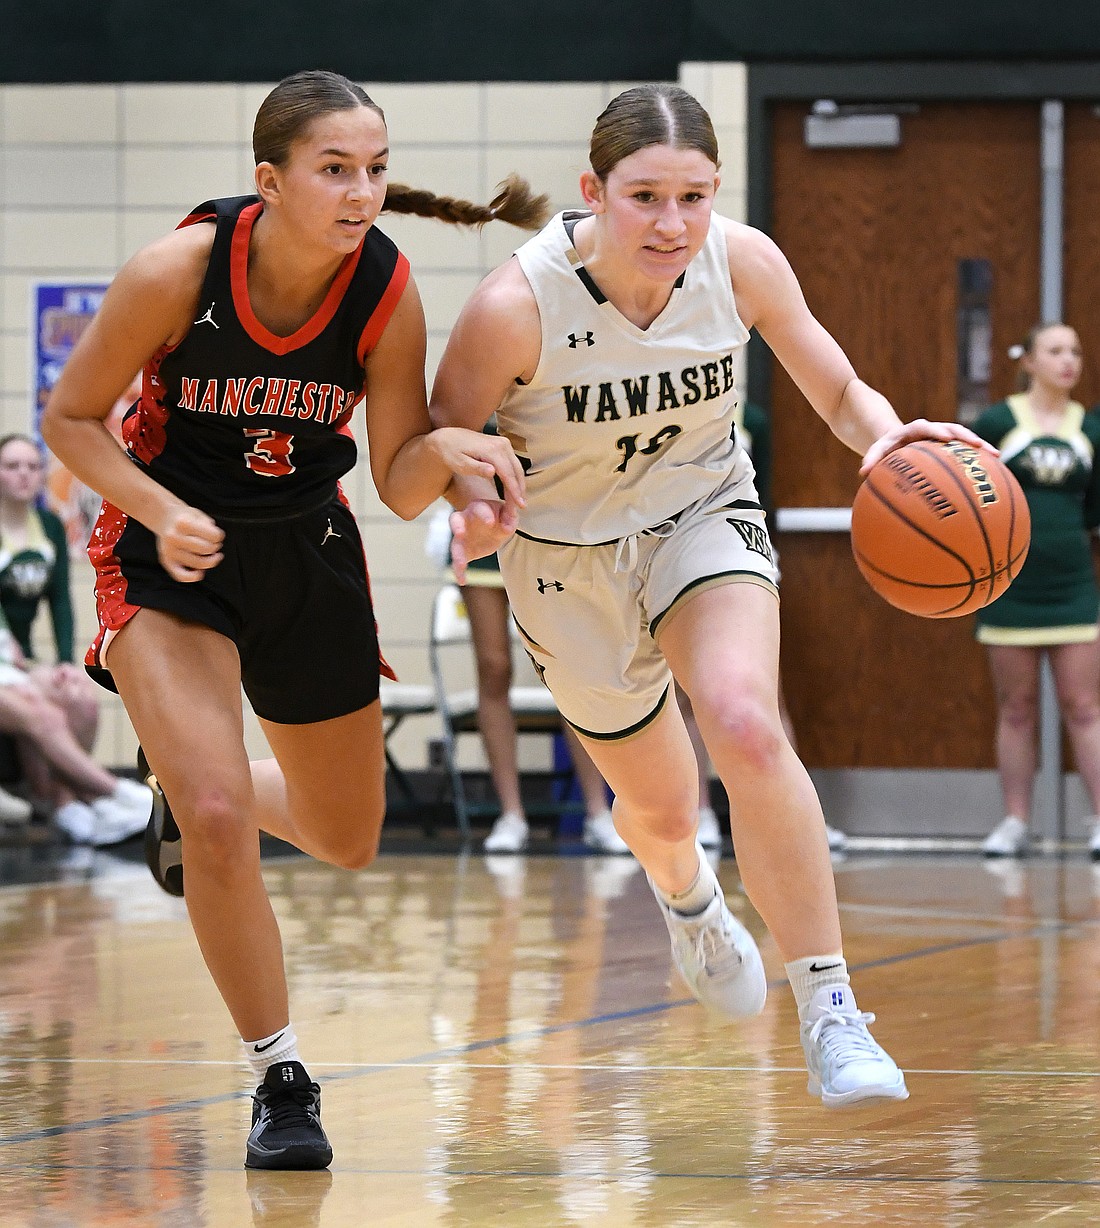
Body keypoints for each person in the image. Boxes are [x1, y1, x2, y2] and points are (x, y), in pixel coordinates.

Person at [429, 83, 995, 1107]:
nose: (671, 223)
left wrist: (884, 439)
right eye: (645, 197)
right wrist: (467, 506)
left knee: (740, 719)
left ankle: (828, 1009)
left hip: (699, 513)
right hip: (563, 558)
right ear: (592, 190)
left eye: (693, 195)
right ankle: (688, 900)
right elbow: (444, 447)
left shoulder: (740, 261)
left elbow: (831, 386)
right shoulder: (515, 307)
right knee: (657, 804)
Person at [41, 69, 545, 1170]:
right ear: (269, 181)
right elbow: (70, 420)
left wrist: (456, 465)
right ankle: (279, 1074)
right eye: (334, 170)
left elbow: (397, 477)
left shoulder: (384, 288)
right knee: (225, 818)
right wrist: (163, 510)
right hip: (170, 552)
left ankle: (184, 789)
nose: (361, 190)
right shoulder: (181, 270)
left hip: (307, 551)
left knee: (347, 837)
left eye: (373, 168)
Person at [678, 400, 848, 855]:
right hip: (670, 557)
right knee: (685, 697)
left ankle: (795, 822)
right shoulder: (656, 402)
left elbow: (760, 493)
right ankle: (700, 815)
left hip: (740, 549)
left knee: (767, 697)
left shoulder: (751, 420)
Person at [972, 324, 1100, 858]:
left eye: (1075, 350)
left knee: (1085, 705)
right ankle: (1015, 822)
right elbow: (971, 499)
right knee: (1017, 708)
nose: (1069, 360)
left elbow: (1093, 513)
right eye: (1056, 350)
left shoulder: (1090, 427)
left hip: (1073, 585)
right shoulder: (997, 422)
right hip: (1010, 584)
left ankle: (1098, 823)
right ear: (1029, 362)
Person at [0, 433, 147, 843]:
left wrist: (65, 660)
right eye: (12, 466)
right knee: (40, 712)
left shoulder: (46, 525)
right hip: (3, 658)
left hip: (18, 661)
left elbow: (61, 601)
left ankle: (67, 805)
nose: (24, 475)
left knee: (79, 696)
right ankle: (113, 793)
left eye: (32, 466)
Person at [457, 543, 627, 854]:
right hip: (482, 538)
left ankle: (598, 812)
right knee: (493, 669)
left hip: (546, 534)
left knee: (570, 670)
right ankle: (511, 815)